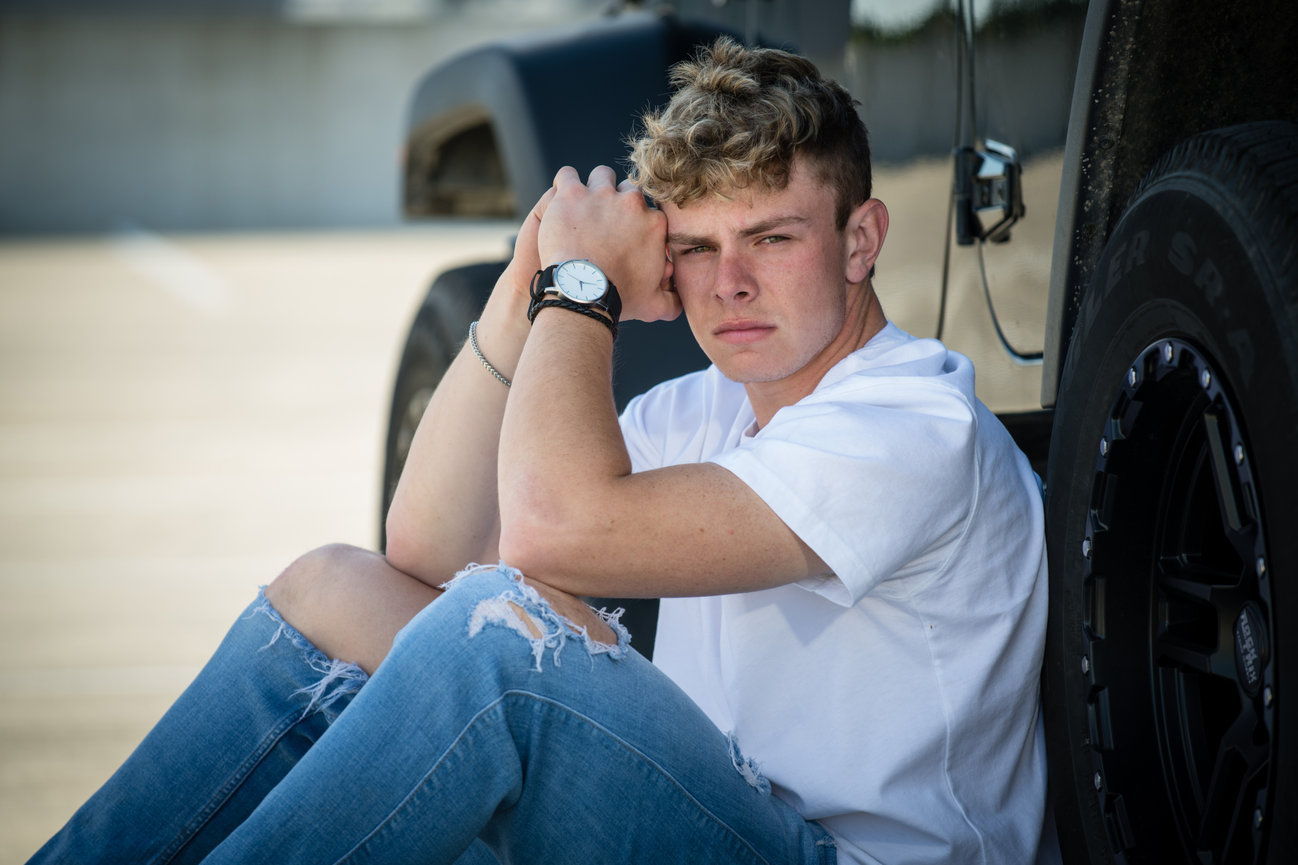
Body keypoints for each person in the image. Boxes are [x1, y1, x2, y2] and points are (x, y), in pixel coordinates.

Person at [29, 38, 1052, 865]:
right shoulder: (705, 412)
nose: (729, 281)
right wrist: (530, 277)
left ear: (861, 239)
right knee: (329, 591)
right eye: (697, 248)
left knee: (501, 645)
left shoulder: (913, 421)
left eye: (772, 238)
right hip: (717, 819)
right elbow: (428, 547)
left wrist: (580, 289)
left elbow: (547, 536)